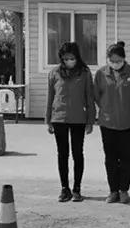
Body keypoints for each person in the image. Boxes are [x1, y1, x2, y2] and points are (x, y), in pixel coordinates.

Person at [94, 41, 130, 204]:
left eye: (118, 60)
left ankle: (124, 190)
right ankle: (113, 191)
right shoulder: (101, 74)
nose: (115, 63)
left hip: (128, 123)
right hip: (107, 124)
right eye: (112, 60)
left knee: (126, 158)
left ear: (124, 59)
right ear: (108, 59)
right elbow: (97, 96)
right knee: (110, 158)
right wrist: (107, 110)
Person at [45, 42, 95, 203]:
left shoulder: (85, 72)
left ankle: (77, 188)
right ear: (61, 58)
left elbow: (89, 97)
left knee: (77, 153)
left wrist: (90, 120)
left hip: (78, 118)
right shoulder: (54, 73)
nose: (69, 61)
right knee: (62, 154)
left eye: (72, 58)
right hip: (59, 118)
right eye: (66, 59)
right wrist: (48, 120)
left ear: (77, 57)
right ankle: (64, 188)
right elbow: (50, 97)